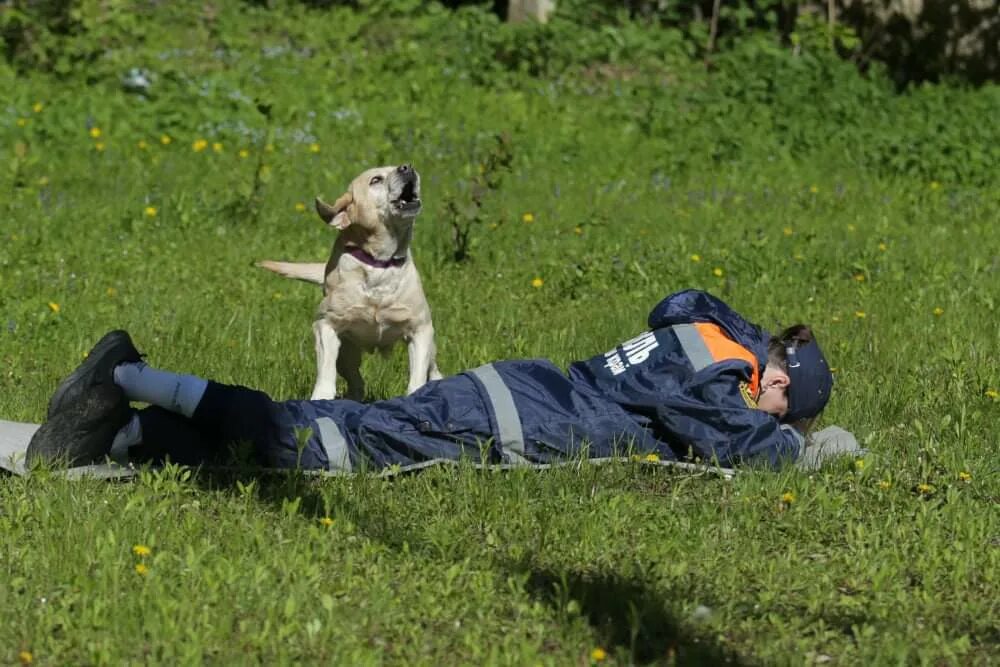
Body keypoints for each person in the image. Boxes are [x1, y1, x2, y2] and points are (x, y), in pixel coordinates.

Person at [27, 289, 834, 473]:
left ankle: (131, 432)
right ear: (778, 377)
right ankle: (129, 374)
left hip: (513, 388)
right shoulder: (720, 366)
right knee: (325, 446)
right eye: (783, 405)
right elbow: (740, 445)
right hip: (520, 423)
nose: (768, 412)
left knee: (321, 419)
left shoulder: (699, 327)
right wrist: (808, 453)